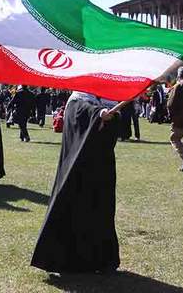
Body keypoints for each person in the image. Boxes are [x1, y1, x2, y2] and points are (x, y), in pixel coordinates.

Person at [31, 91, 120, 274]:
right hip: (77, 166)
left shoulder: (109, 98)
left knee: (100, 208)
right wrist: (98, 114)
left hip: (101, 167)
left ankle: (101, 260)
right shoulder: (78, 99)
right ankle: (62, 260)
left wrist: (113, 116)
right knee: (71, 205)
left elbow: (118, 128)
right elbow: (79, 113)